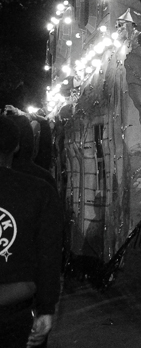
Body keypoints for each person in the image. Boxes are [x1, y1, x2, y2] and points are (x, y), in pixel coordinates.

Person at [0, 116, 63, 348]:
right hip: (17, 311)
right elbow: (49, 252)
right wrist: (46, 308)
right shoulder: (39, 190)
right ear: (16, 146)